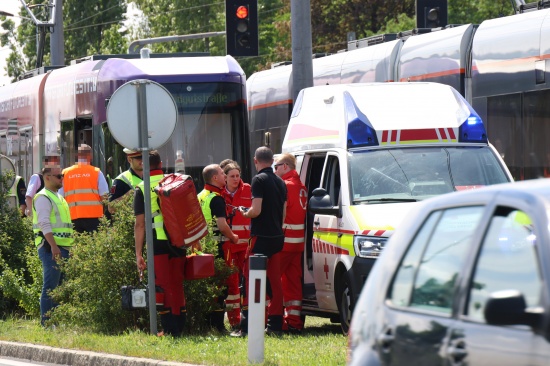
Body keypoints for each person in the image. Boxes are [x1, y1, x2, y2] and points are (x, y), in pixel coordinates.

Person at [232, 146, 287, 337]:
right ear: (272, 161)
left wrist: (244, 212)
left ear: (256, 161)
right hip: (277, 238)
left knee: (251, 281)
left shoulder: (258, 180)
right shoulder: (281, 182)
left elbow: (256, 210)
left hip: (260, 238)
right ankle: (275, 325)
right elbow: (284, 213)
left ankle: (249, 326)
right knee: (275, 283)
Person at [134, 150, 187, 337]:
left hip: (158, 242)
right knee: (177, 283)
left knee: (163, 284)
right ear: (161, 163)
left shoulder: (142, 187)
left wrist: (138, 253)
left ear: (143, 165)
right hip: (180, 240)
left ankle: (169, 328)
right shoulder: (175, 180)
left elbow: (140, 224)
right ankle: (180, 325)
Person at [198, 164, 239, 332]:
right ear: (215, 178)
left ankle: (206, 323)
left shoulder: (201, 195)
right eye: (222, 173)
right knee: (220, 287)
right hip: (218, 248)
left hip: (204, 247)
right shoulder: (216, 198)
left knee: (208, 286)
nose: (224, 176)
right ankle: (217, 325)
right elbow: (222, 225)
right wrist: (233, 237)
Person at [32, 165, 74, 326]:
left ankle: (57, 322)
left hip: (62, 247)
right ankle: (48, 324)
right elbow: (44, 223)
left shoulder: (58, 196)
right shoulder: (43, 197)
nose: (61, 178)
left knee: (59, 288)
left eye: (62, 176)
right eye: (58, 176)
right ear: (47, 177)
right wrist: (54, 246)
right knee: (50, 287)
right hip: (51, 248)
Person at [274, 153, 308, 333]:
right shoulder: (301, 186)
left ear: (285, 166)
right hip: (298, 243)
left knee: (274, 282)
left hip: (284, 241)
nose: (274, 170)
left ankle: (276, 321)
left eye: (276, 167)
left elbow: (281, 213)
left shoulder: (284, 186)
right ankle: (294, 321)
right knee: (292, 283)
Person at [221, 162, 252, 329]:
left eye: (237, 176)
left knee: (247, 281)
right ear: (224, 178)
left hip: (245, 245)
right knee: (232, 283)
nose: (235, 179)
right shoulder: (219, 193)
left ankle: (250, 319)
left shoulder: (248, 189)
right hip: (229, 246)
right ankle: (235, 321)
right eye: (232, 176)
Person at [61, 144, 109, 233]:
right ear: (90, 156)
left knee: (75, 244)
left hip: (72, 216)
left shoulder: (65, 173)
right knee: (94, 244)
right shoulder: (96, 172)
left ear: (77, 156)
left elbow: (60, 197)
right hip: (94, 217)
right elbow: (104, 196)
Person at [108, 148, 144, 213]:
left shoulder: (151, 176)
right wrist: (130, 194)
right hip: (132, 221)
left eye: (144, 157)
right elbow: (111, 208)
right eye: (139, 158)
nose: (142, 161)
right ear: (129, 159)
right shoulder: (121, 180)